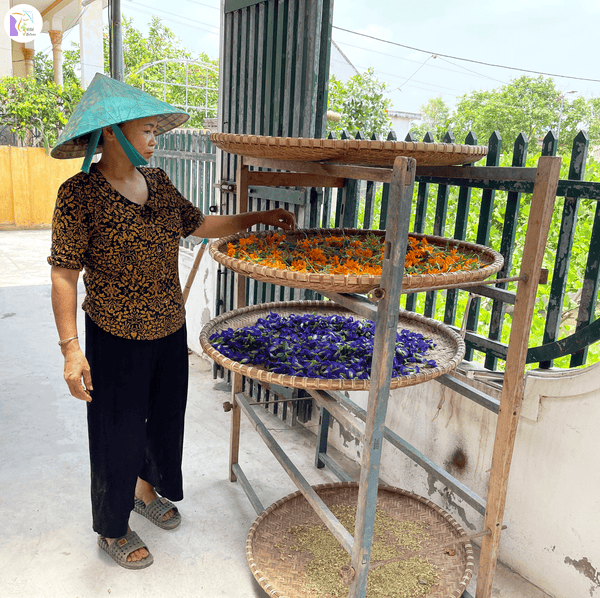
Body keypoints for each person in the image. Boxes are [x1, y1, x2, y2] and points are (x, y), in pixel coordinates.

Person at [48, 74, 295, 569]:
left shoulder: (158, 183)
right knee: (116, 430)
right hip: (113, 333)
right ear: (111, 133)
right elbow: (64, 274)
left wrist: (251, 219)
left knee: (162, 421)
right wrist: (71, 348)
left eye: (155, 131)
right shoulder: (79, 194)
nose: (154, 139)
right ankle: (113, 528)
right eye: (145, 131)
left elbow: (197, 224)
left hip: (167, 328)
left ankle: (145, 492)